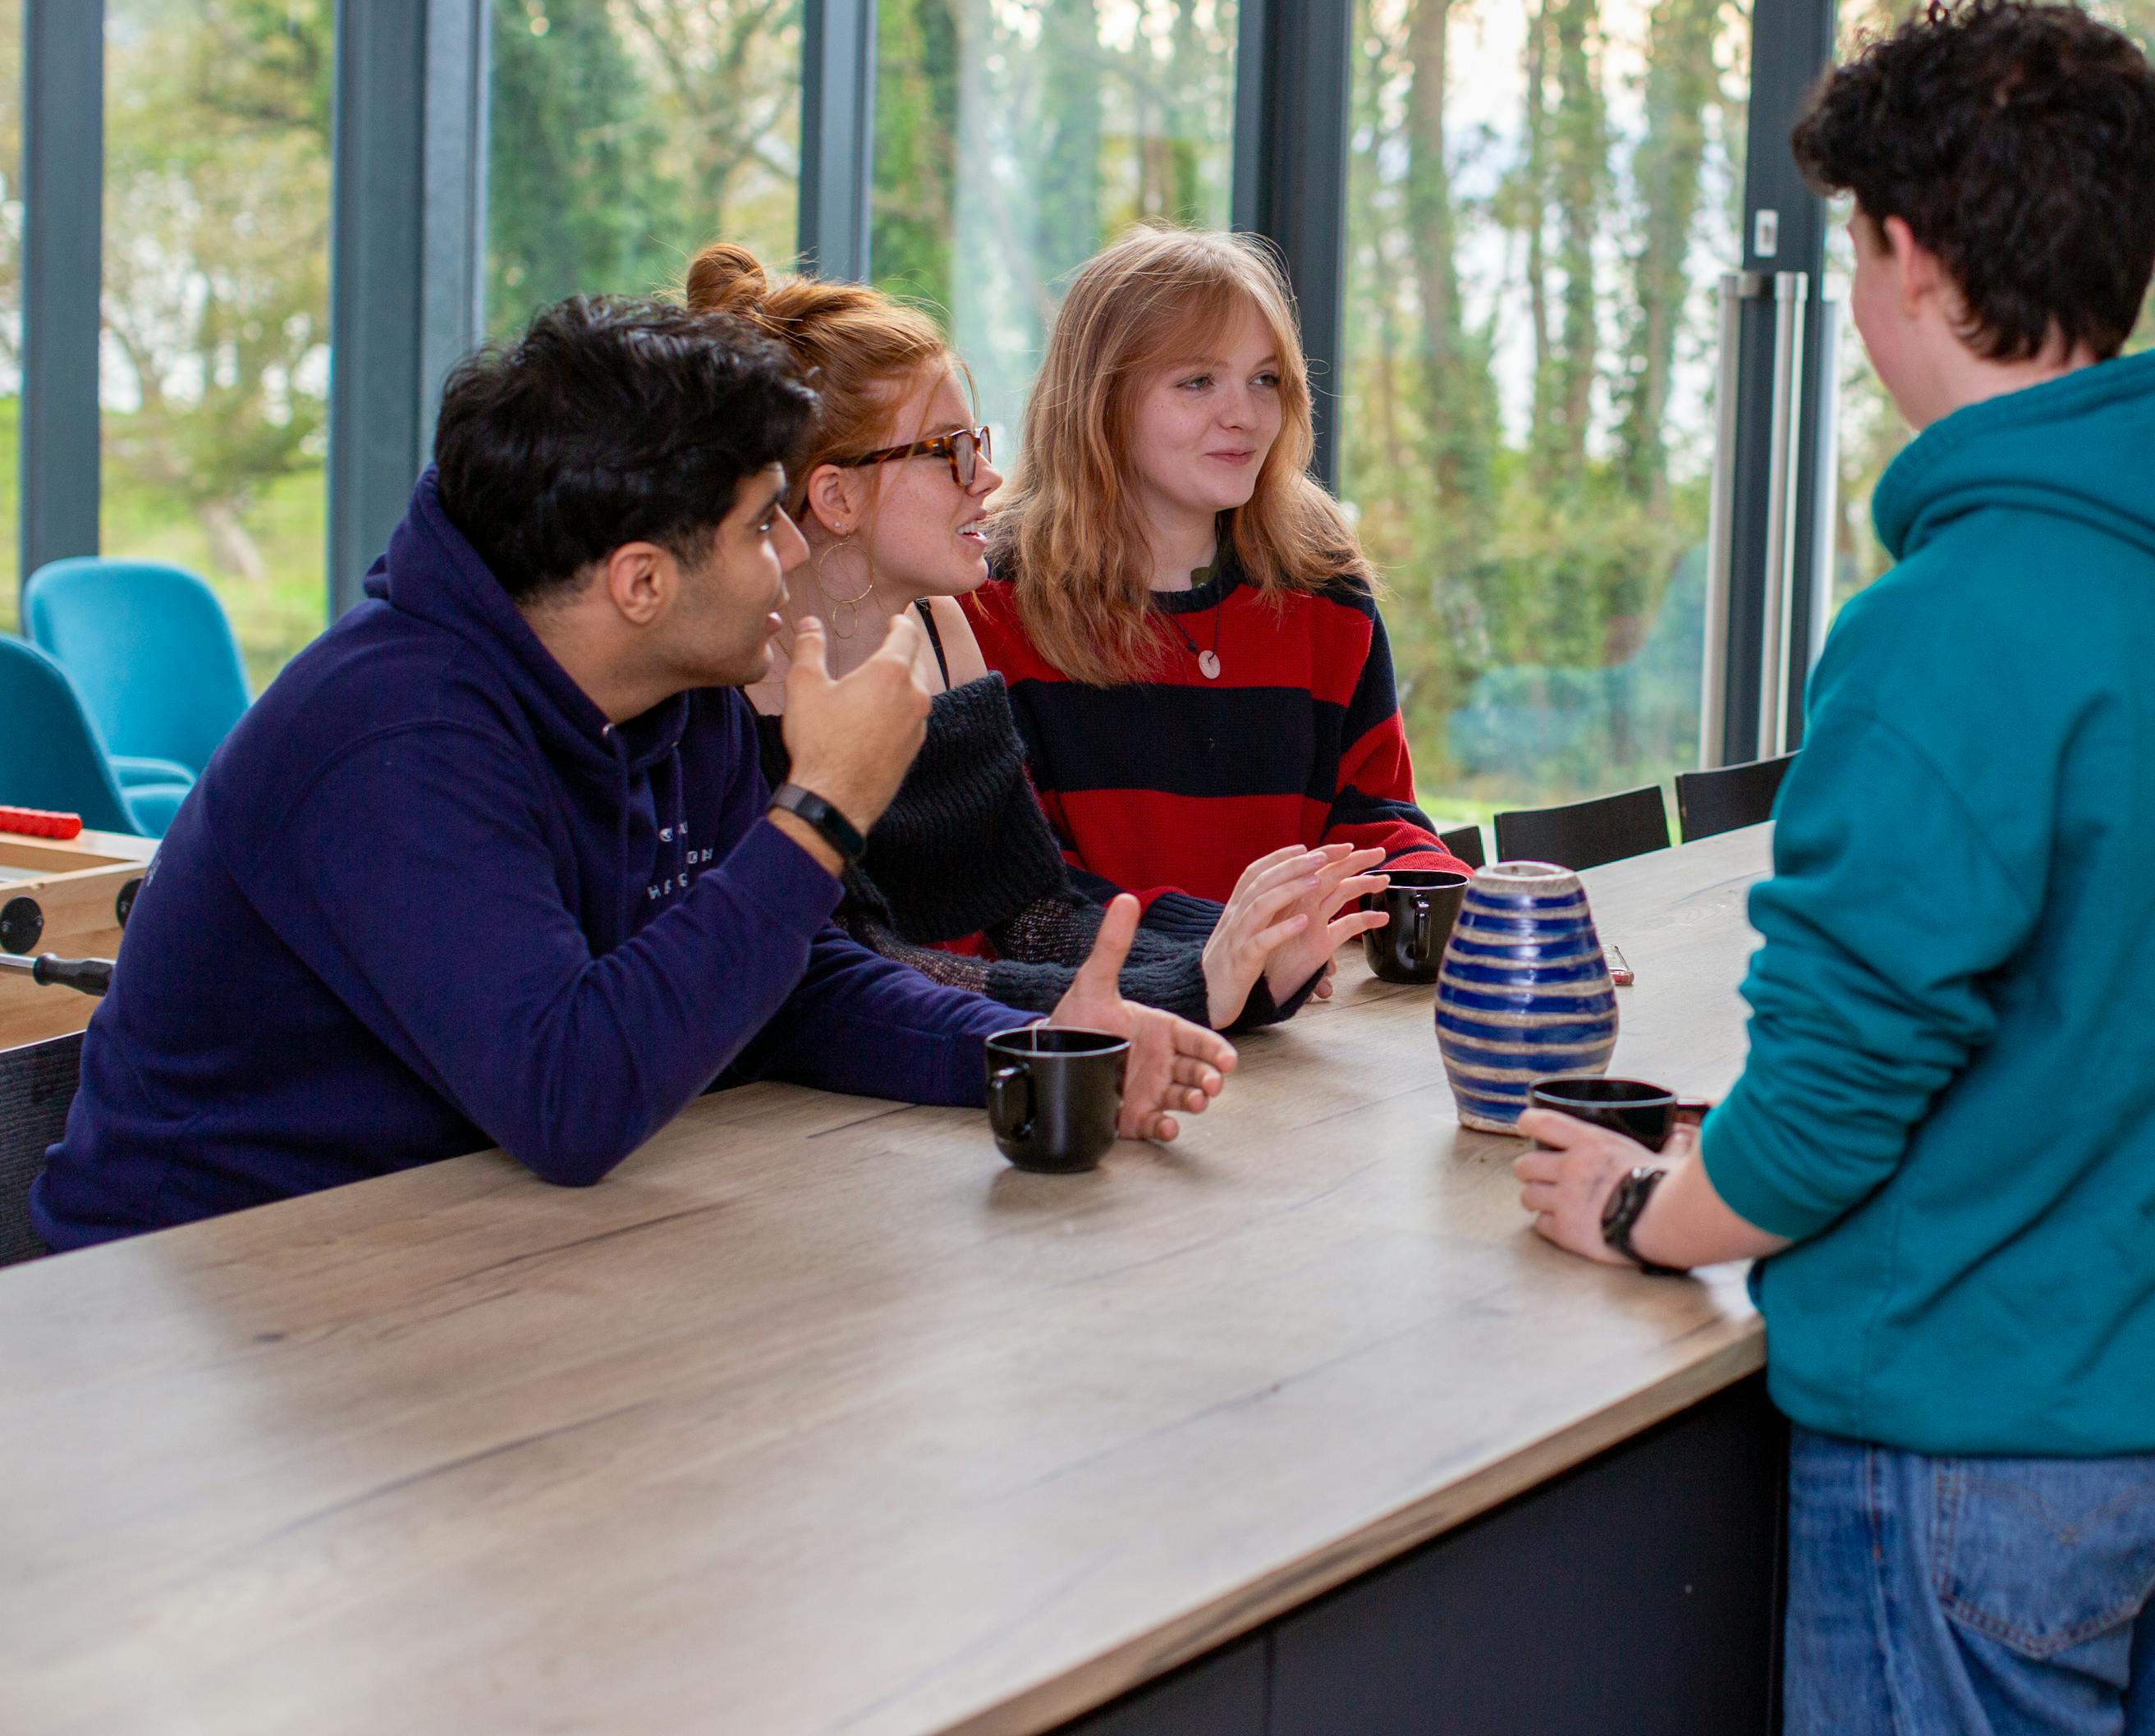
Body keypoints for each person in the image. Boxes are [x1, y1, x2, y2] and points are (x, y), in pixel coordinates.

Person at [1515, 0, 2155, 1736]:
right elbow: (2151, 987)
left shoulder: (1953, 620)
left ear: (1905, 257)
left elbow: (1833, 1094)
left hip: (1994, 1429)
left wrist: (1643, 1206)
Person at [30, 295, 1233, 1251]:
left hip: (469, 1247)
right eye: (765, 524)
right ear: (642, 583)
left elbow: (785, 985)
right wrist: (818, 818)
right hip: (199, 1299)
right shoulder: (389, 740)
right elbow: (570, 1098)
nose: (792, 553)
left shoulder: (675, 688)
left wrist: (1018, 1049)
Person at [680, 245, 1387, 1033]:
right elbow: (851, 964)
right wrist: (1194, 986)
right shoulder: (729, 675)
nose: (985, 476)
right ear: (836, 497)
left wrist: (1240, 951)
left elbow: (1030, 912)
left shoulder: (944, 631)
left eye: (975, 442)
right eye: (948, 452)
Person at [965, 227, 1465, 905]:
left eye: (1266, 380)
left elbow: (1374, 820)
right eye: (1198, 381)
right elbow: (1029, 898)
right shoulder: (988, 605)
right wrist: (1224, 957)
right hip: (1106, 1004)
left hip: (1308, 1005)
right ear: (1099, 400)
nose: (1246, 416)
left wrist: (1452, 900)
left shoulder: (1324, 588)